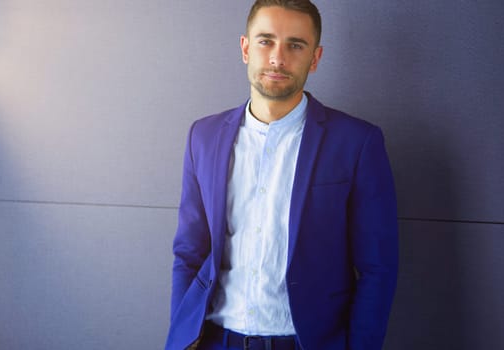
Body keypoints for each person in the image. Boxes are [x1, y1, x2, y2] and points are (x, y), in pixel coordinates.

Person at [165, 1, 398, 349]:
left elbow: (378, 268)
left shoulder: (357, 142)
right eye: (265, 41)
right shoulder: (204, 136)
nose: (278, 57)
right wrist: (182, 336)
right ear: (246, 48)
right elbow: (189, 251)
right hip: (215, 339)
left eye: (295, 44)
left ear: (315, 58)